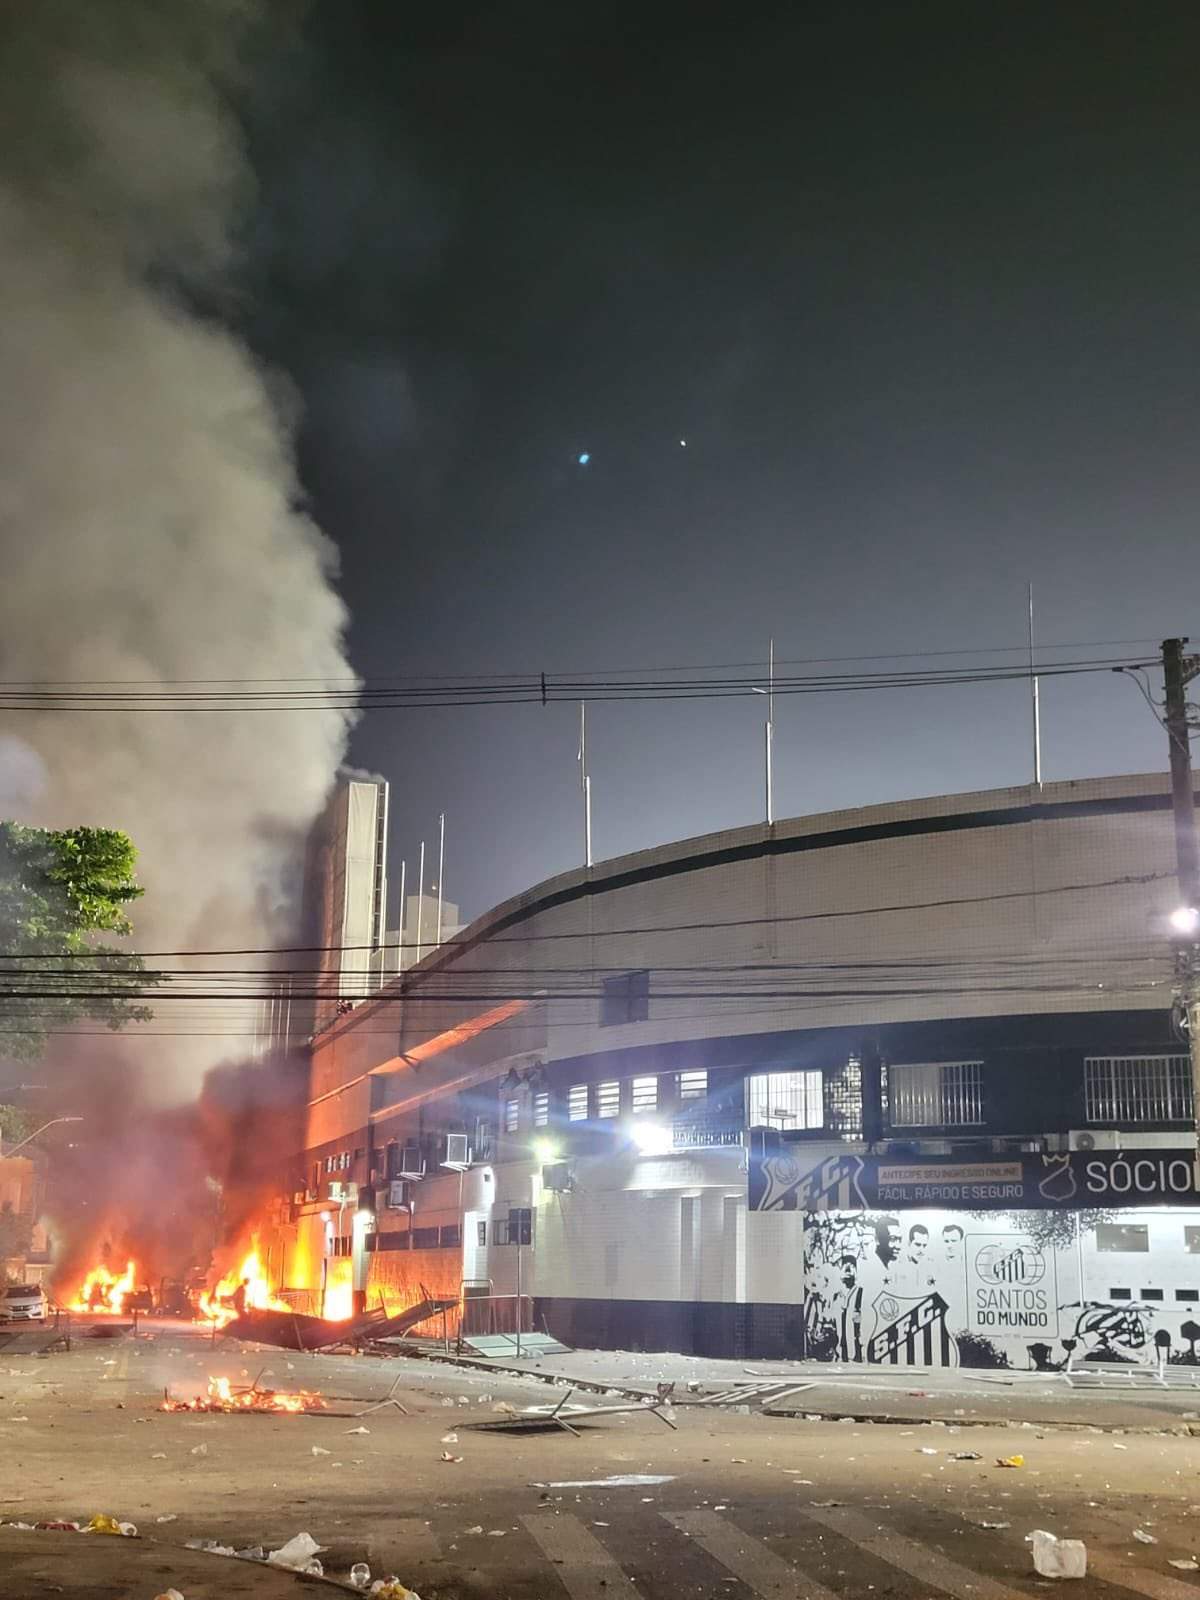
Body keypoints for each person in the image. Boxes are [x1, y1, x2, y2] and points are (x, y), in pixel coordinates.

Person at [832, 1253, 865, 1362]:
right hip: (839, 1349)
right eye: (844, 1266)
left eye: (852, 1267)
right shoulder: (836, 1295)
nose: (848, 1270)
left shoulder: (861, 1292)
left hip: (855, 1347)